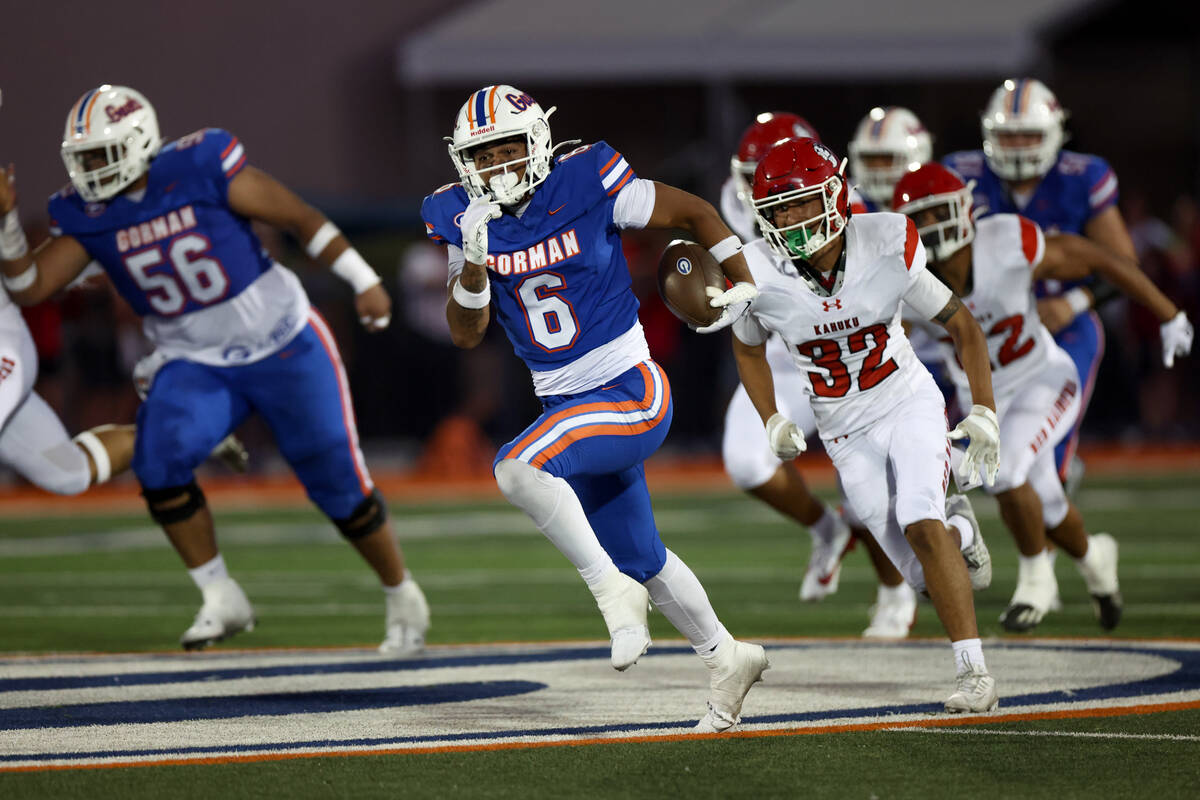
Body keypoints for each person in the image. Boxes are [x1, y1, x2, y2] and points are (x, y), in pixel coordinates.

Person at [0, 85, 428, 655]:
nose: (90, 171)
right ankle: (220, 593)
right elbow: (29, 287)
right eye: (82, 159)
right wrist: (7, 220)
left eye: (101, 155)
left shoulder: (199, 166)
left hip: (282, 343)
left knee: (337, 484)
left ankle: (401, 590)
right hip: (195, 361)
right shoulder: (88, 215)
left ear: (138, 141)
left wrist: (363, 278)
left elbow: (299, 217)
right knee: (158, 460)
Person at [422, 84, 766, 732]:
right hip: (566, 405)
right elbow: (466, 334)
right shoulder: (459, 216)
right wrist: (470, 266)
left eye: (505, 149)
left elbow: (693, 212)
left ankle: (611, 594)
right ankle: (726, 656)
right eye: (481, 155)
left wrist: (741, 276)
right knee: (645, 556)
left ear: (537, 142)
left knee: (516, 467)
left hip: (630, 389)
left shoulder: (588, 178)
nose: (495, 167)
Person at [732, 137, 1000, 712]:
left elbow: (963, 326)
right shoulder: (755, 271)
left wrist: (983, 411)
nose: (790, 219)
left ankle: (975, 675)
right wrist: (772, 417)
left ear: (833, 193)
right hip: (843, 433)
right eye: (778, 209)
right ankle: (963, 535)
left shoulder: (885, 241)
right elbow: (748, 349)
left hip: (906, 402)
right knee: (919, 572)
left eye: (801, 203)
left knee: (919, 519)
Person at [894, 163, 1193, 631]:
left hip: (1042, 378)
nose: (932, 228)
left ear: (965, 210)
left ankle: (1036, 578)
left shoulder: (1006, 242)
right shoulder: (904, 280)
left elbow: (1099, 259)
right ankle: (1096, 560)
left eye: (939, 214)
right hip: (986, 396)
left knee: (1005, 469)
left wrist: (1168, 313)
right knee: (1048, 506)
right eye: (921, 218)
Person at [719, 111, 917, 639]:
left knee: (866, 476)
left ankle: (895, 588)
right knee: (746, 462)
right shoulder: (730, 204)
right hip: (781, 360)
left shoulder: (854, 210)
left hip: (844, 351)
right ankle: (827, 530)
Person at [943, 78, 1143, 494]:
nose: (1017, 146)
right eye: (1007, 135)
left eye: (1029, 134)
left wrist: (1073, 302)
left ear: (1054, 133)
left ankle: (1055, 485)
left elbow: (1125, 264)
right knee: (956, 450)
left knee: (1043, 465)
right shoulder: (959, 174)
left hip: (1061, 325)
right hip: (986, 327)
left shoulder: (1083, 176)